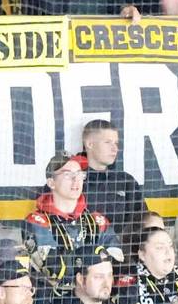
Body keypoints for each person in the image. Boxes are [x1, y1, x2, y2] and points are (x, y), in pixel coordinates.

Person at [24, 155, 117, 297]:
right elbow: (54, 268)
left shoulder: (98, 220)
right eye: (68, 174)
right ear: (51, 182)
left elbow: (115, 262)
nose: (76, 180)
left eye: (79, 174)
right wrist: (96, 262)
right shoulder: (36, 221)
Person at [77, 122, 149, 261]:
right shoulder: (72, 180)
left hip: (122, 260)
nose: (114, 148)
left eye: (116, 143)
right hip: (83, 261)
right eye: (108, 142)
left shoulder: (126, 181)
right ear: (89, 144)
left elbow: (144, 222)